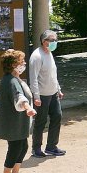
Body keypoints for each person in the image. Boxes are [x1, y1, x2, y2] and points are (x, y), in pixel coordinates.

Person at [0, 49, 37, 173]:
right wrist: (28, 108)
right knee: (14, 149)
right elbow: (19, 96)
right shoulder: (10, 81)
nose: (24, 64)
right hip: (12, 122)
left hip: (18, 121)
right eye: (21, 62)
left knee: (22, 147)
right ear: (13, 64)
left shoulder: (14, 78)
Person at [28, 29, 65, 157]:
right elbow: (33, 78)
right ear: (44, 42)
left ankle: (51, 146)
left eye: (56, 39)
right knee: (40, 121)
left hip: (53, 93)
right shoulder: (37, 56)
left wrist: (58, 89)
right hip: (42, 95)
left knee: (57, 117)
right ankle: (36, 148)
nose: (55, 42)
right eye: (52, 40)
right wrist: (36, 96)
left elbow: (52, 74)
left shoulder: (49, 53)